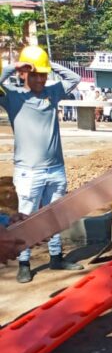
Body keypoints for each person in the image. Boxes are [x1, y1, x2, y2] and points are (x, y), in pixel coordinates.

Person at [0, 45, 84, 283]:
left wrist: (49, 63)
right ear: (24, 74)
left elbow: (75, 77)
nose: (39, 79)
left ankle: (56, 257)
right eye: (34, 74)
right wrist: (14, 66)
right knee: (25, 218)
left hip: (56, 168)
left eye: (42, 74)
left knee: (55, 216)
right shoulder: (12, 96)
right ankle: (24, 262)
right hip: (29, 171)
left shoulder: (52, 92)